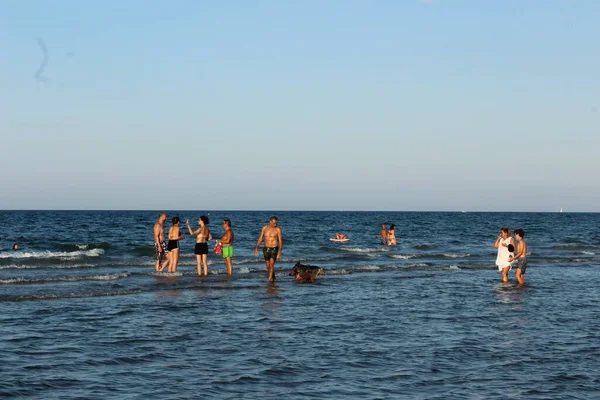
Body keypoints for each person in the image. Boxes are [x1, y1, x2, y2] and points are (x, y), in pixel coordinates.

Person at [254, 216, 283, 283]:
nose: (275, 224)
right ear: (270, 222)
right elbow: (261, 238)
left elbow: (280, 241)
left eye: (276, 223)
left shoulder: (278, 229)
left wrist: (280, 251)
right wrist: (256, 247)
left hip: (274, 248)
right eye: (274, 223)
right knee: (268, 266)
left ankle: (269, 280)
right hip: (266, 249)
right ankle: (273, 277)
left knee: (271, 265)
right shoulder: (264, 228)